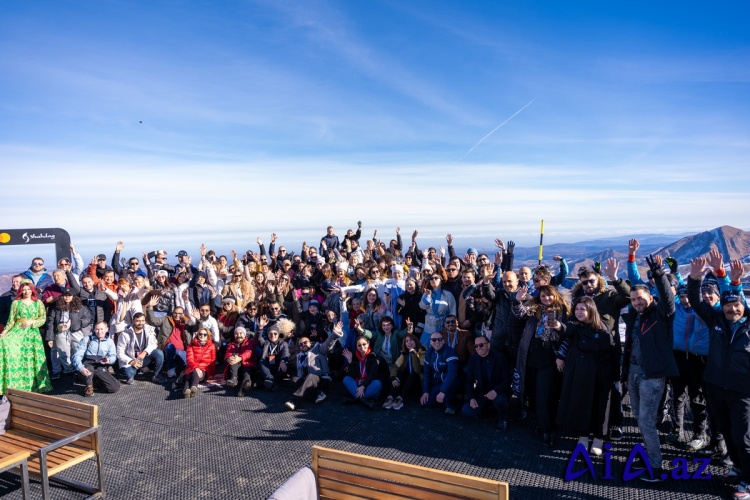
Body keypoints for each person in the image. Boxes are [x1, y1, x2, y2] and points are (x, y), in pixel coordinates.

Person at [688, 257, 750, 498]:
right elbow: (694, 301)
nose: (731, 309)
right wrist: (694, 278)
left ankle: (748, 480)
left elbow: (735, 296)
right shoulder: (716, 320)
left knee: (743, 437)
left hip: (743, 391)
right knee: (725, 429)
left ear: (743, 305)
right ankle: (737, 468)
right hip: (715, 386)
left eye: (736, 305)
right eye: (727, 306)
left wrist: (732, 281)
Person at [622, 255, 679, 482]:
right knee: (638, 417)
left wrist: (659, 274)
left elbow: (668, 300)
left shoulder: (660, 315)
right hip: (634, 372)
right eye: (634, 299)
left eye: (641, 298)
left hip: (652, 375)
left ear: (650, 297)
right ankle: (649, 455)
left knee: (646, 420)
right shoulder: (636, 316)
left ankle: (656, 467)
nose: (637, 302)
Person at [553, 296, 614, 456]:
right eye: (577, 309)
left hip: (601, 373)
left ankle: (599, 437)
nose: (579, 312)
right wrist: (557, 325)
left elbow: (612, 351)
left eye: (583, 309)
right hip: (580, 371)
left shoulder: (603, 327)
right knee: (582, 403)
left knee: (601, 405)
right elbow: (566, 329)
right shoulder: (576, 326)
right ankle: (583, 435)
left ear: (591, 310)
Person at [513, 284, 569, 447]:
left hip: (549, 356)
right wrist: (518, 301)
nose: (546, 299)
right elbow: (519, 313)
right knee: (533, 391)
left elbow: (567, 336)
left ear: (555, 295)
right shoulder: (535, 310)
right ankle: (540, 422)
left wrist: (561, 355)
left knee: (545, 393)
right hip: (531, 354)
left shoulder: (564, 311)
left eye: (549, 295)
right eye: (543, 296)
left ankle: (547, 429)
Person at [0, 281, 52, 393]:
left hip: (32, 334)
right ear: (20, 291)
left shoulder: (38, 303)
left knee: (32, 358)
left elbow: (42, 319)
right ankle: (14, 384)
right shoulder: (16, 303)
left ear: (32, 290)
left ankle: (35, 385)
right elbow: (11, 320)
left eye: (29, 289)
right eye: (24, 289)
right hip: (18, 331)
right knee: (7, 347)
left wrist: (32, 322)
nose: (26, 291)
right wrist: (4, 333)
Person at [284, 322, 344, 411]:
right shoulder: (299, 357)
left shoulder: (318, 349)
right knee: (293, 379)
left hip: (322, 380)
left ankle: (294, 400)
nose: (303, 345)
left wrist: (335, 334)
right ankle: (317, 394)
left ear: (310, 343)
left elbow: (328, 344)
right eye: (301, 344)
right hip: (308, 382)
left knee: (311, 376)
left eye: (305, 342)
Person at [461, 335, 511, 431]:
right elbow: (469, 381)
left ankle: (502, 419)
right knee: (466, 411)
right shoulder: (473, 359)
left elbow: (507, 380)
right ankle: (486, 408)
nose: (478, 348)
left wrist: (495, 391)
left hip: (498, 391)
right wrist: (471, 398)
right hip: (482, 392)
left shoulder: (499, 358)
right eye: (476, 346)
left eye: (481, 345)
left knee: (500, 401)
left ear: (488, 345)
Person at [45, 288, 91, 379]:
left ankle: (79, 368)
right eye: (65, 295)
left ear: (73, 296)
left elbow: (87, 318)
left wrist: (78, 324)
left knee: (79, 349)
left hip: (76, 331)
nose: (67, 297)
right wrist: (50, 337)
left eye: (69, 295)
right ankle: (69, 370)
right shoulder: (57, 307)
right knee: (64, 353)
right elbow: (50, 322)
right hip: (61, 331)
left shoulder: (80, 307)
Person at [72, 321, 119, 396]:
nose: (99, 332)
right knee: (89, 369)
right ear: (94, 329)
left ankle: (96, 382)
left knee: (114, 388)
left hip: (100, 365)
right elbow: (76, 356)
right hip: (88, 364)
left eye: (101, 329)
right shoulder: (87, 339)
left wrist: (108, 360)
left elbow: (113, 356)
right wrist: (80, 368)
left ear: (107, 329)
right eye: (97, 329)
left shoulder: (110, 342)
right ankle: (89, 387)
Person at [116, 312, 165, 385]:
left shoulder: (149, 330)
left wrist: (144, 352)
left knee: (159, 353)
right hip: (131, 360)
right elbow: (119, 353)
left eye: (142, 321)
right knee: (129, 374)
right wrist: (131, 361)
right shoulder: (125, 334)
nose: (140, 323)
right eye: (138, 321)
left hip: (143, 358)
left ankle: (156, 375)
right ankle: (135, 372)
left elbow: (154, 344)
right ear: (133, 321)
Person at [382, 331, 425, 410]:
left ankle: (400, 398)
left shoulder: (422, 350)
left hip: (418, 380)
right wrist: (393, 378)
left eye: (411, 340)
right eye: (407, 341)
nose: (409, 343)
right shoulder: (404, 353)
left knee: (413, 374)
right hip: (407, 380)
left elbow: (417, 369)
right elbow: (395, 367)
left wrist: (415, 355)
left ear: (415, 341)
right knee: (399, 374)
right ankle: (391, 396)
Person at [421, 331, 459, 415]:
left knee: (449, 386)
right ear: (430, 342)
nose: (437, 342)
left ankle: (451, 405)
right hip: (437, 382)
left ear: (443, 341)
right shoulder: (429, 352)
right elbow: (426, 373)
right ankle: (442, 399)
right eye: (434, 340)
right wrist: (425, 391)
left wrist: (442, 392)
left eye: (439, 339)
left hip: (449, 381)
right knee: (427, 403)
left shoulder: (450, 352)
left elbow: (452, 373)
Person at [342, 336, 382, 409]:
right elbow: (353, 375)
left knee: (378, 383)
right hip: (358, 383)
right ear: (356, 347)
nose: (362, 347)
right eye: (359, 345)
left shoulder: (374, 356)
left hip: (369, 384)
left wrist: (363, 386)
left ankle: (355, 398)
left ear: (368, 344)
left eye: (364, 344)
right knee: (346, 379)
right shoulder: (354, 357)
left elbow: (372, 375)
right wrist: (350, 361)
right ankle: (364, 401)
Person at [419, 274, 456, 347]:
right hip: (429, 328)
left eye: (436, 278)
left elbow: (453, 311)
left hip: (443, 327)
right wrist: (428, 297)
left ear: (441, 281)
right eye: (431, 278)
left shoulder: (448, 294)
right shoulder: (427, 293)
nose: (433, 280)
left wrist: (451, 325)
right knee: (425, 349)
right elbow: (422, 307)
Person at [224, 326, 259, 397]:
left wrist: (240, 358)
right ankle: (233, 379)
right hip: (235, 368)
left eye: (240, 333)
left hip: (248, 365)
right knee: (233, 356)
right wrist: (228, 358)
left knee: (247, 373)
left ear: (244, 334)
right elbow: (228, 354)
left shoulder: (250, 342)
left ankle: (244, 388)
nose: (239, 335)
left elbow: (249, 352)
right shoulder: (231, 345)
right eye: (236, 334)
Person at [182, 328, 217, 398]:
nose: (202, 336)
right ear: (197, 335)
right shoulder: (191, 345)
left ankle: (190, 388)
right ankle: (191, 389)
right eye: (200, 334)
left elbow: (213, 360)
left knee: (189, 375)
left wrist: (213, 373)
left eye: (205, 334)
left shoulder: (212, 346)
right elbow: (189, 359)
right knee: (191, 373)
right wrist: (196, 368)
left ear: (208, 336)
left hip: (204, 369)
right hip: (192, 367)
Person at [259, 323, 290, 391]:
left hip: (278, 366)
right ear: (267, 335)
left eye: (275, 333)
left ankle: (270, 382)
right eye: (270, 334)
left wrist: (283, 361)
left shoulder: (283, 343)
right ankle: (271, 381)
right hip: (269, 367)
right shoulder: (266, 343)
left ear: (278, 334)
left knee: (286, 363)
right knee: (261, 361)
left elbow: (286, 353)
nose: (273, 335)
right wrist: (260, 328)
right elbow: (259, 338)